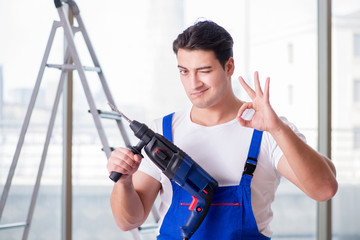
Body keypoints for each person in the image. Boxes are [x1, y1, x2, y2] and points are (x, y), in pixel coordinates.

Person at [107, 20, 338, 239]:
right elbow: (128, 221)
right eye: (184, 71)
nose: (193, 83)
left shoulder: (267, 130)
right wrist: (124, 181)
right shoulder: (162, 133)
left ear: (229, 66)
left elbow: (324, 190)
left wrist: (278, 128)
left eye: (204, 71)